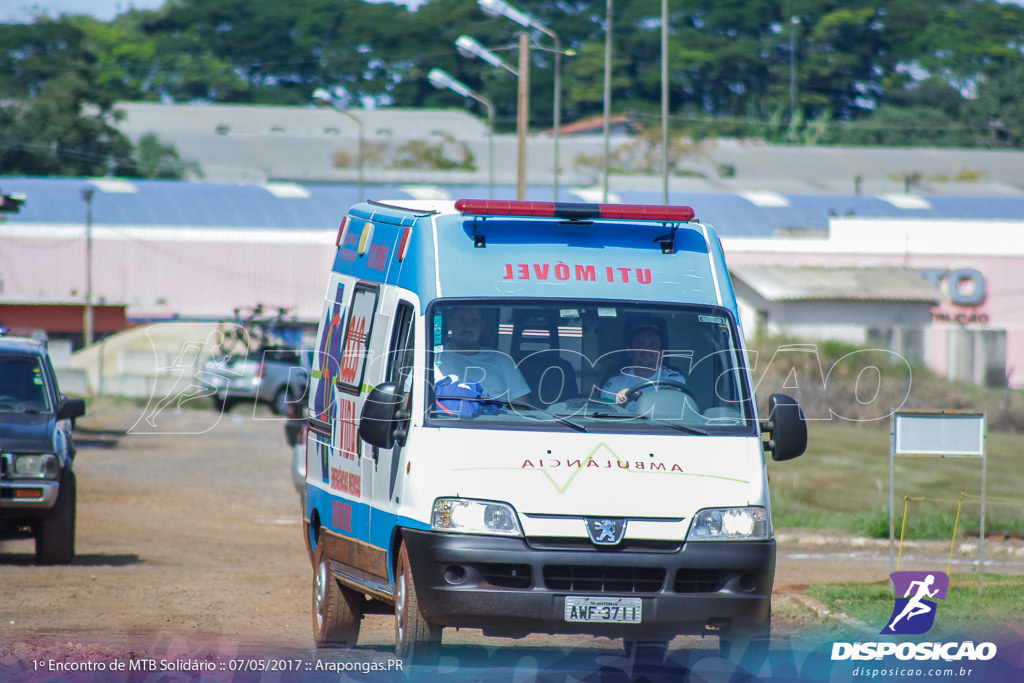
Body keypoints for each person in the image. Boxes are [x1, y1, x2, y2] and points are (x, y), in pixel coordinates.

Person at [433, 307, 530, 403]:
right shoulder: (434, 358)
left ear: (482, 326)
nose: (468, 327)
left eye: (474, 321)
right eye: (462, 320)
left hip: (500, 418)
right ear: (450, 324)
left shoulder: (502, 359)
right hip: (446, 418)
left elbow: (523, 405)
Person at [600, 324, 687, 406]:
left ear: (661, 353)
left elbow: (670, 399)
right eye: (640, 344)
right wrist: (620, 403)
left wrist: (638, 395)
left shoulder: (672, 377)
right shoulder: (615, 382)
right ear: (630, 352)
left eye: (652, 344)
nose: (646, 349)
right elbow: (605, 416)